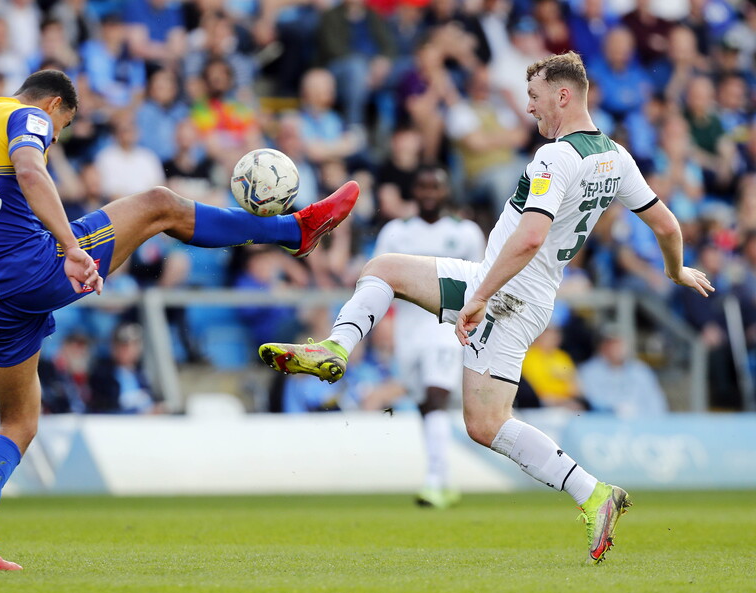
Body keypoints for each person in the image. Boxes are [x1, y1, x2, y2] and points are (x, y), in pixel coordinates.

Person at [259, 52, 714, 564]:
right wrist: (676, 270)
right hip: (531, 296)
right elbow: (669, 227)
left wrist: (478, 297)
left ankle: (337, 349)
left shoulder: (555, 158)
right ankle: (594, 493)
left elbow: (530, 237)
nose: (529, 108)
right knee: (477, 409)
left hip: (504, 290)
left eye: (536, 98)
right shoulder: (617, 158)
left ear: (563, 96)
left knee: (471, 401)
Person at [0, 69, 359, 570]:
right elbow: (31, 172)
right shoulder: (26, 116)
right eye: (62, 129)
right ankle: (297, 228)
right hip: (35, 267)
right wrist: (72, 249)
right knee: (159, 204)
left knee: (17, 422)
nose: (55, 137)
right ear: (54, 105)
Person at [372, 166, 485, 509]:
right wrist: (383, 323)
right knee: (425, 404)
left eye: (436, 186)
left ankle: (435, 481)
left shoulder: (465, 233)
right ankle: (445, 479)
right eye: (423, 187)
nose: (429, 193)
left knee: (436, 397)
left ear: (446, 190)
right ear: (414, 192)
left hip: (445, 330)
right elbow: (378, 280)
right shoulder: (395, 233)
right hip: (409, 331)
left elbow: (482, 283)